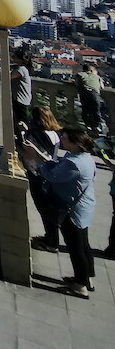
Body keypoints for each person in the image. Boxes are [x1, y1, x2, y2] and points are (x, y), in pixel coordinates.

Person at [41, 128, 97, 298]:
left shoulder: (74, 164)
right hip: (84, 207)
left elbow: (53, 176)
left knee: (76, 248)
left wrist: (40, 163)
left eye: (65, 138)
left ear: (75, 143)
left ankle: (80, 286)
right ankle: (87, 279)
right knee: (83, 244)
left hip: (73, 210)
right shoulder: (86, 158)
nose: (62, 140)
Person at [18, 106, 62, 252]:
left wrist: (19, 144)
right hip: (48, 175)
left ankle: (51, 242)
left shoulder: (37, 135)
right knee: (46, 209)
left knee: (44, 209)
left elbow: (30, 154)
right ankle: (50, 238)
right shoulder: (54, 135)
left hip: (37, 174)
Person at [75, 64, 103, 135]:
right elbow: (102, 87)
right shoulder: (97, 77)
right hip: (94, 94)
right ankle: (97, 125)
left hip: (84, 93)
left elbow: (77, 83)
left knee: (85, 109)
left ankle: (87, 125)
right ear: (91, 70)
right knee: (96, 109)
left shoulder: (79, 74)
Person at [10, 53, 32, 127]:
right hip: (21, 99)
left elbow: (9, 76)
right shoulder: (22, 68)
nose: (13, 59)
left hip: (21, 100)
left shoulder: (21, 69)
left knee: (22, 122)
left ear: (19, 59)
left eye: (14, 57)